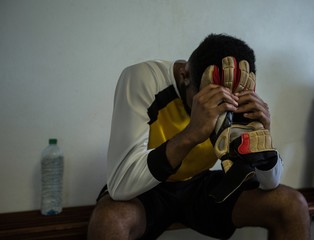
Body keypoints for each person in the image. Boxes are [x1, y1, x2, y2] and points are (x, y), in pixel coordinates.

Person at [88, 34, 311, 240]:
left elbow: (269, 184)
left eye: (226, 99)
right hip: (148, 188)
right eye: (207, 97)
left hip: (198, 185)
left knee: (291, 205)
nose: (219, 106)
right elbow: (120, 187)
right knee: (109, 220)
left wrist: (263, 141)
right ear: (184, 75)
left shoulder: (235, 94)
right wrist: (193, 133)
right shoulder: (143, 78)